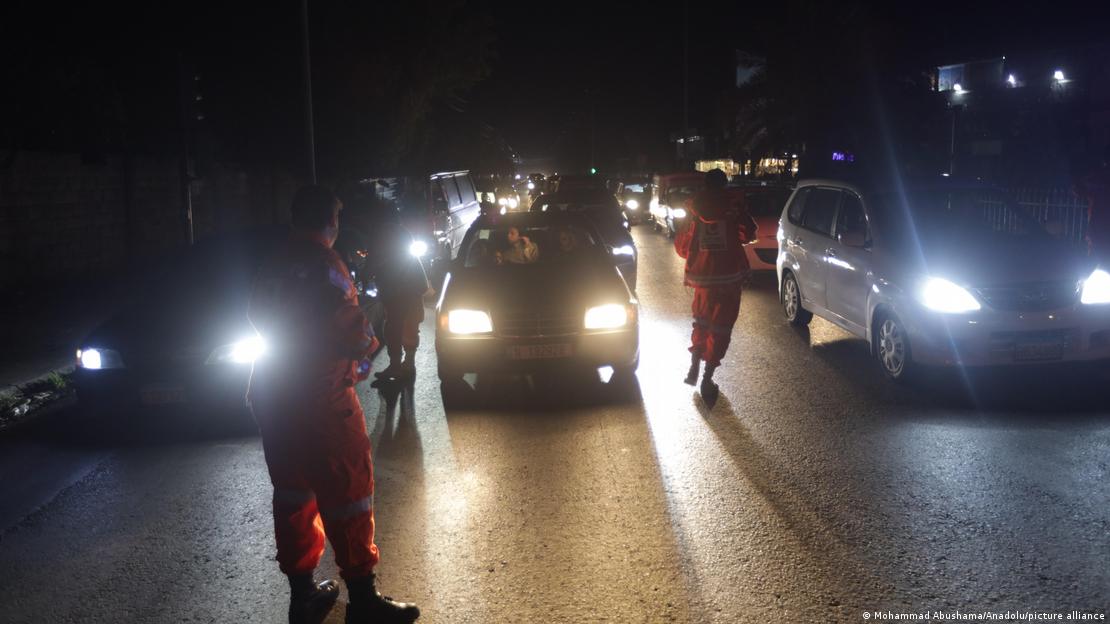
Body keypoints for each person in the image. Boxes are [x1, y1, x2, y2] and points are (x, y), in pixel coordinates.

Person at [248, 185, 420, 624]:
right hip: (322, 400)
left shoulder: (271, 264)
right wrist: (369, 344)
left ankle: (302, 597)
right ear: (332, 222)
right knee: (349, 497)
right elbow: (352, 332)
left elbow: (257, 317)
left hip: (275, 395)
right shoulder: (325, 265)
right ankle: (363, 600)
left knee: (293, 496)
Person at [674, 169, 758, 401]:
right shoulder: (734, 206)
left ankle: (694, 364)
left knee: (701, 322)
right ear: (724, 185)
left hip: (702, 279)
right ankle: (707, 376)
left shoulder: (692, 210)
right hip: (729, 277)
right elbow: (748, 233)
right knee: (722, 327)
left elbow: (681, 247)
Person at [372, 213, 432, 385]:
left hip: (400, 289)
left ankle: (399, 365)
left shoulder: (383, 235)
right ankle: (405, 364)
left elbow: (375, 262)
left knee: (396, 327)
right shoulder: (401, 232)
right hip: (408, 288)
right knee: (406, 326)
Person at [1074, 146, 1110, 262]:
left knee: (1097, 248)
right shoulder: (1100, 178)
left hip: (1099, 224)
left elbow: (1079, 189)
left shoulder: (1100, 179)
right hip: (1098, 224)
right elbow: (1079, 189)